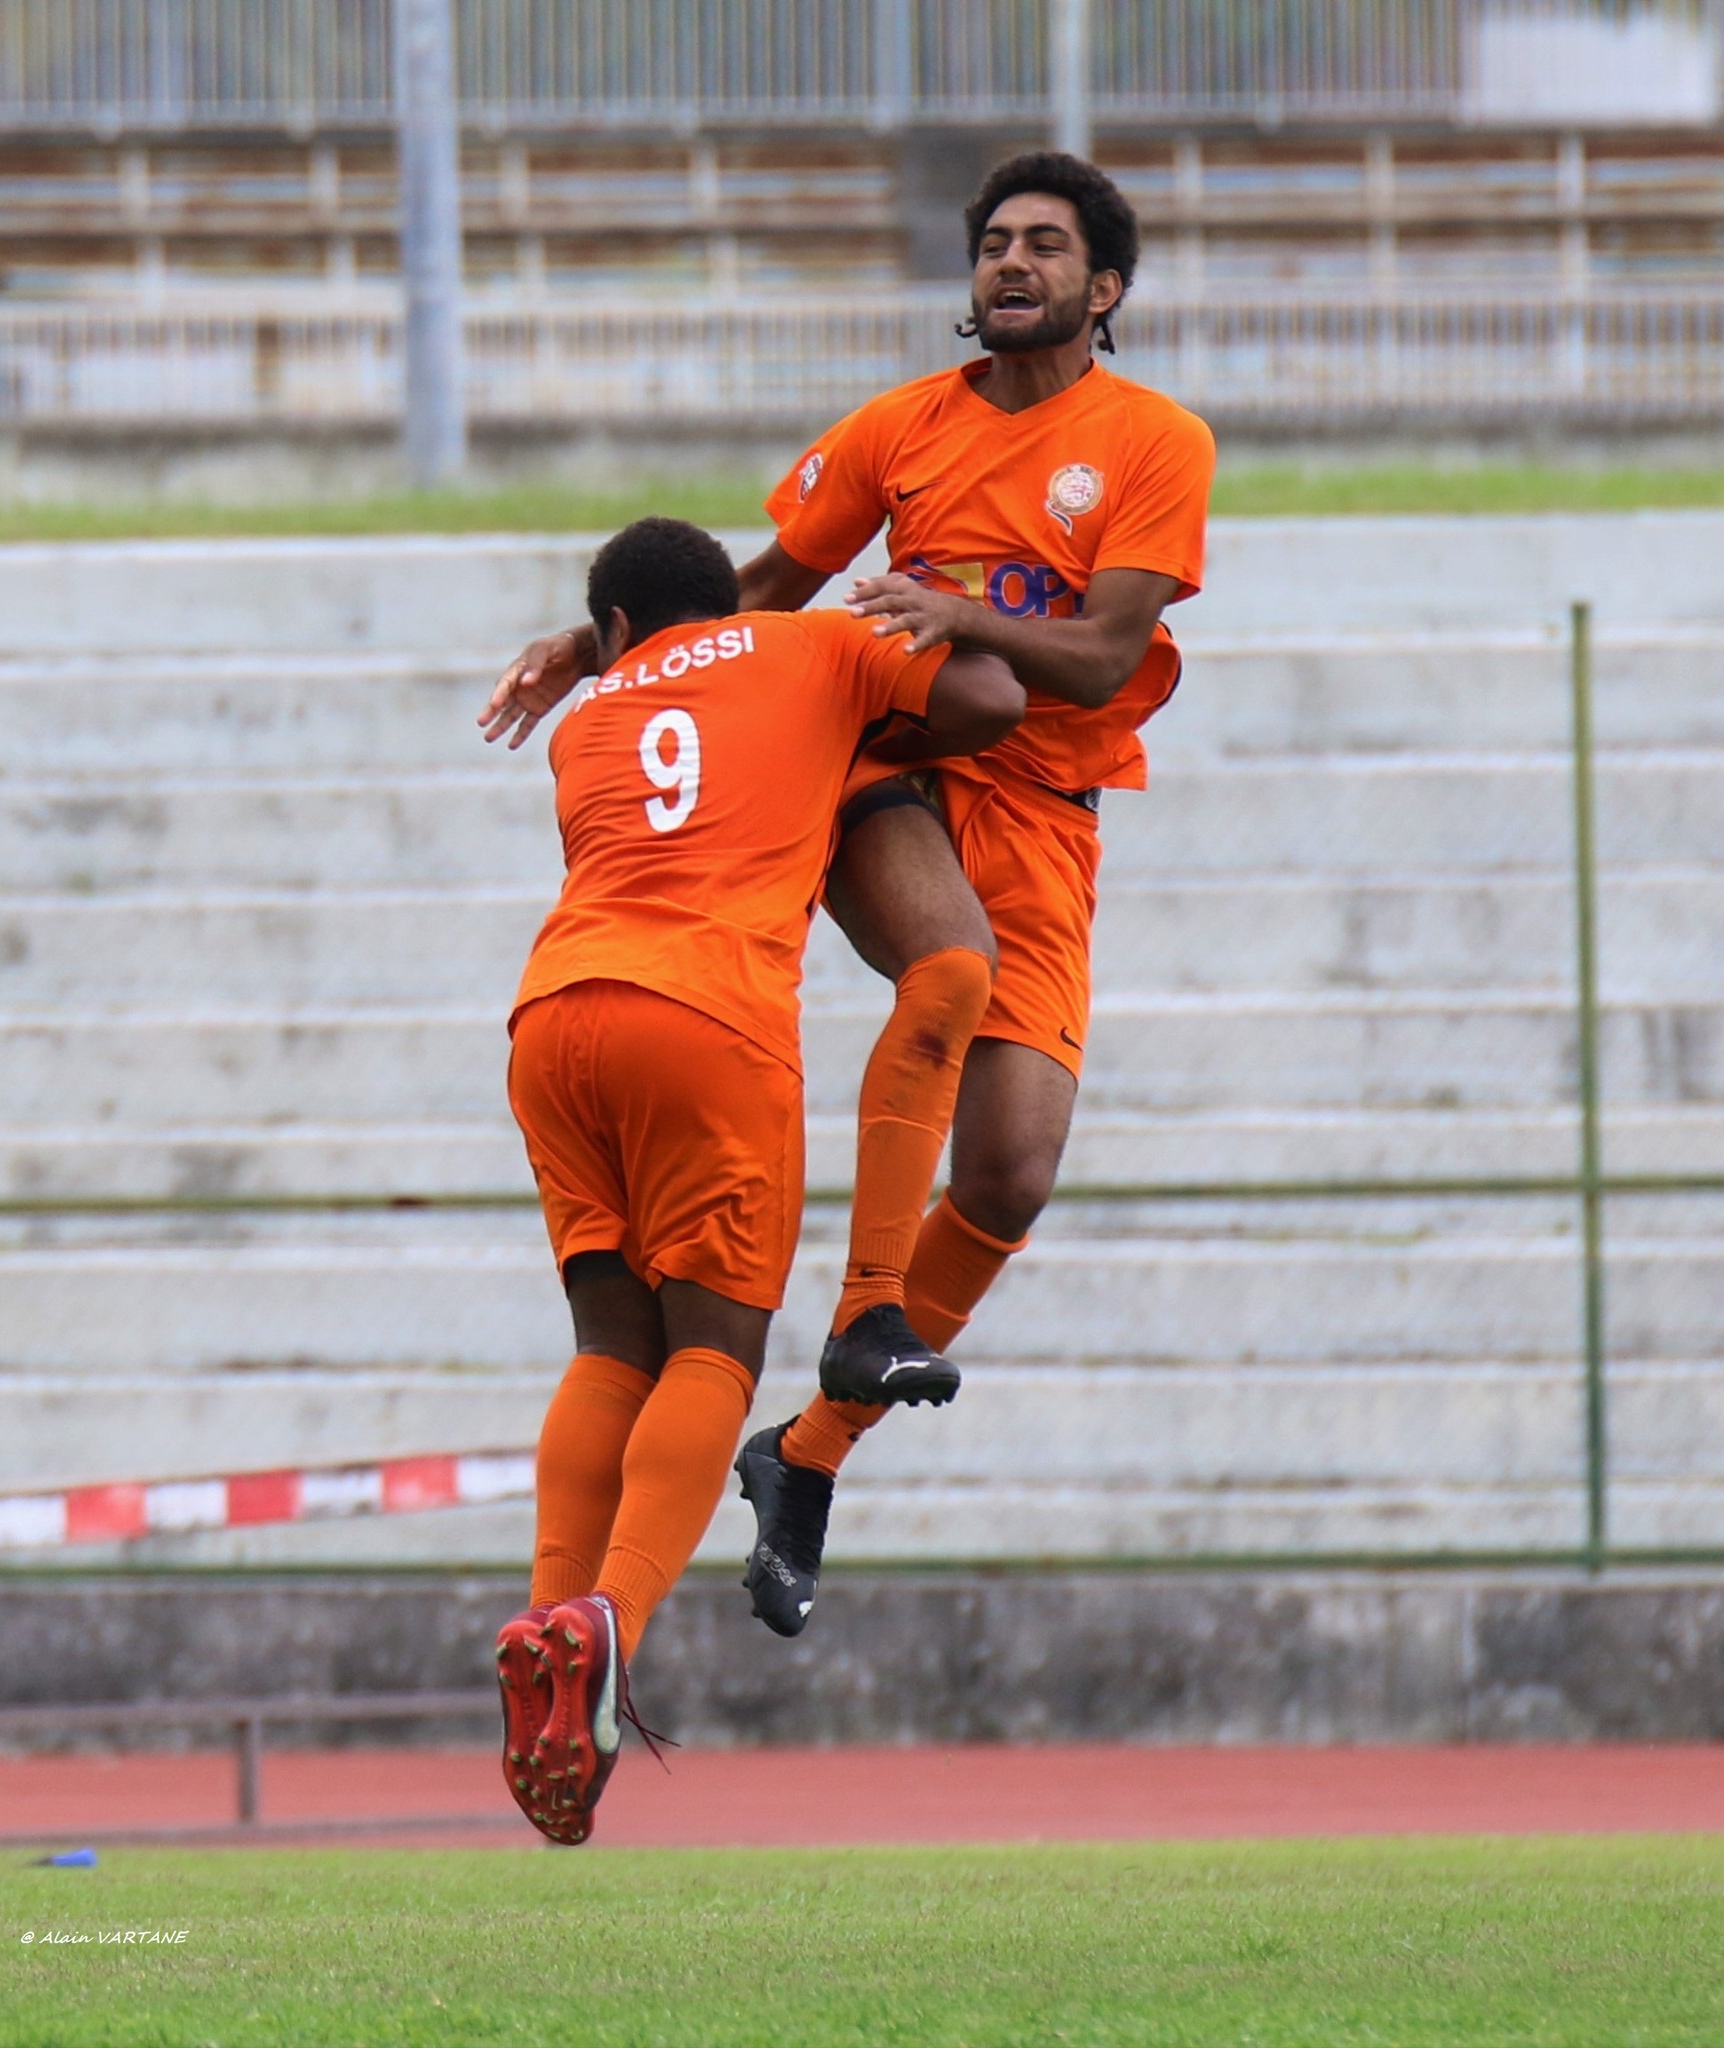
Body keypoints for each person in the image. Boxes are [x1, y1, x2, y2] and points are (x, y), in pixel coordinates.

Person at [485, 151, 1215, 1642]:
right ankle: (868, 1308)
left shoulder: (1152, 442)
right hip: (898, 769)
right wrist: (602, 643)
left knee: (1009, 1175)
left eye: (1045, 246)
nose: (1011, 262)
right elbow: (764, 593)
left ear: (1106, 288)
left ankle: (806, 1455)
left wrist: (951, 607)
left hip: (1045, 804)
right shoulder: (899, 431)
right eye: (994, 242)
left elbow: (1098, 656)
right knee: (947, 968)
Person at [483, 516, 1022, 1845]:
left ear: (611, 632)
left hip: (556, 1018)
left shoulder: (583, 726)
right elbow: (993, 701)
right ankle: (610, 1625)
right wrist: (934, 637)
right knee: (713, 1357)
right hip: (708, 1020)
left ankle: (556, 1609)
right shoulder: (807, 646)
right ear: (731, 598)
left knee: (610, 1345)